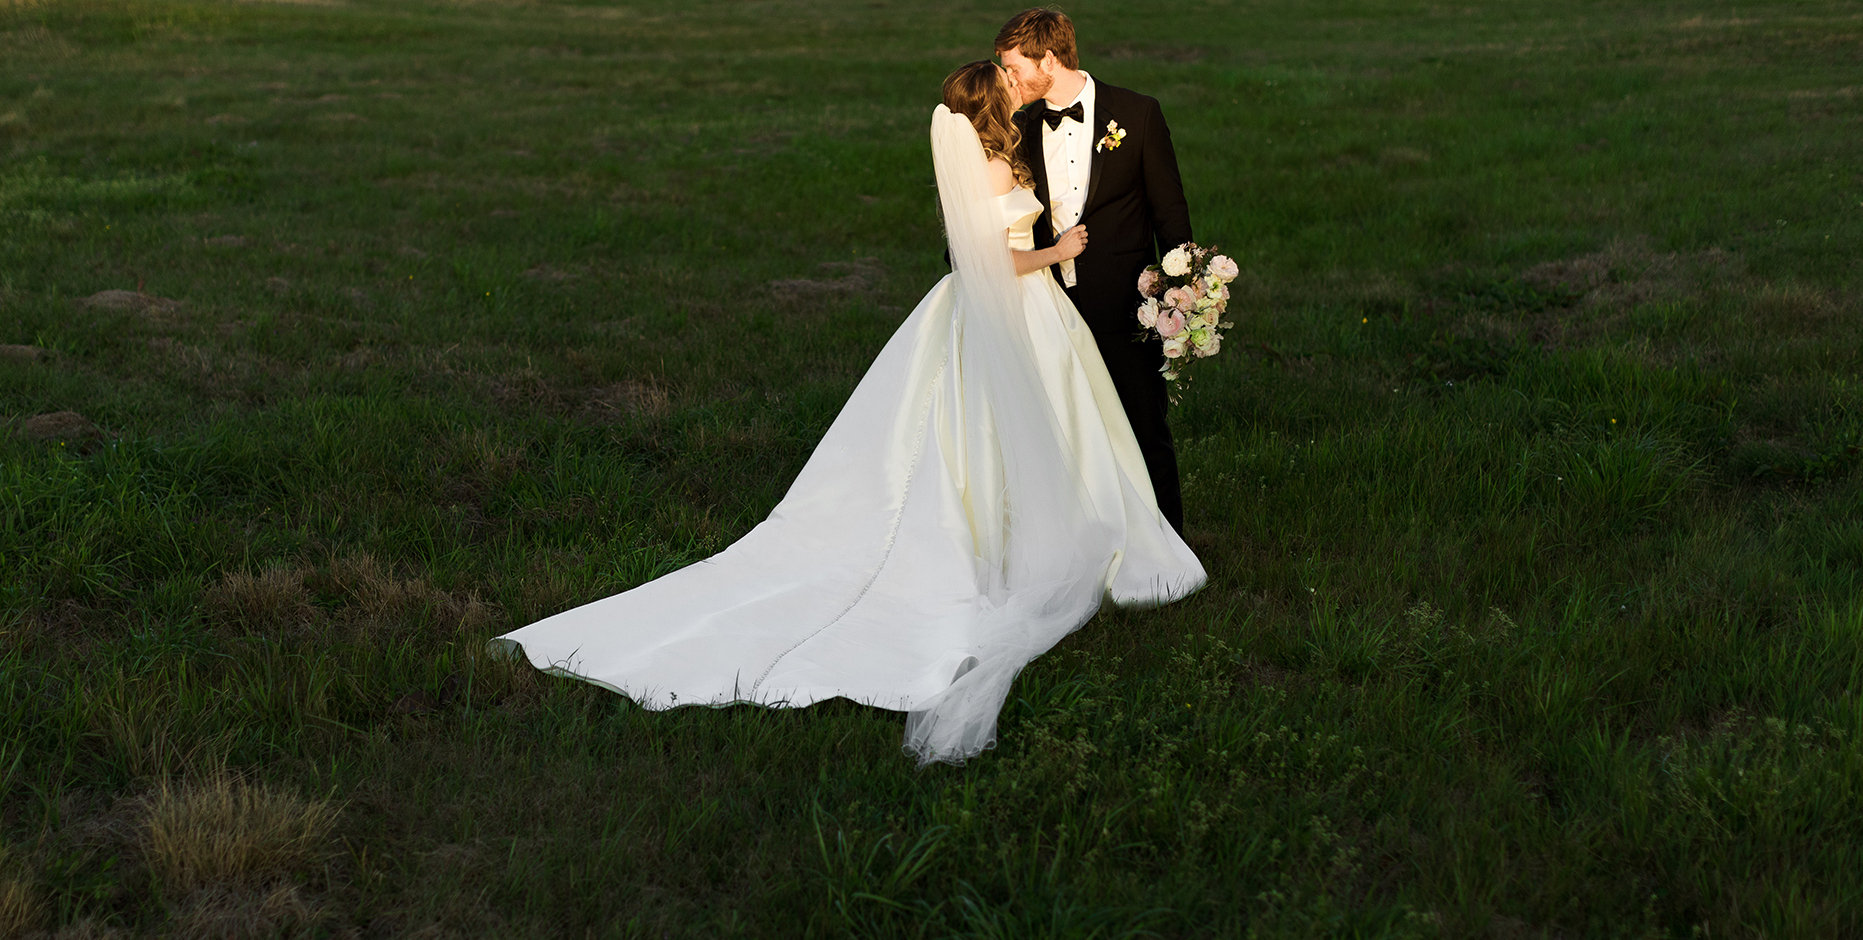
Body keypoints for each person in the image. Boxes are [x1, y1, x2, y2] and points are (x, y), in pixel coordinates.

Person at [489, 62, 1204, 766]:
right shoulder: (987, 171)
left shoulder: (991, 157)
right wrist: (1056, 249)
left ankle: (1058, 519)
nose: (1020, 88)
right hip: (1011, 305)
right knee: (996, 429)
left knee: (1042, 424)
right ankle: (1024, 534)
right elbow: (984, 259)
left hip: (1021, 314)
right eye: (1008, 84)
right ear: (993, 105)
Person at [997, 8, 1192, 535]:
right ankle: (1085, 544)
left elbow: (1170, 215)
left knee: (1143, 427)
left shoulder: (1138, 113)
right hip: (1047, 304)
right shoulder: (1017, 126)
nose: (1009, 80)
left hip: (1125, 305)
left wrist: (1180, 298)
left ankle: (1169, 547)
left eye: (1015, 68)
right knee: (1065, 432)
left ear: (1050, 59)